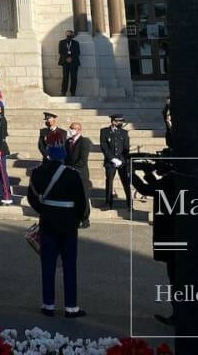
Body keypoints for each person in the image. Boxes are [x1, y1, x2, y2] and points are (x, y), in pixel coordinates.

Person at [28, 130, 88, 318]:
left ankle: (48, 305)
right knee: (69, 265)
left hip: (48, 222)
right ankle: (71, 307)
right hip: (69, 223)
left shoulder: (38, 172)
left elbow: (32, 198)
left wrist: (44, 210)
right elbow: (81, 202)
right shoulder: (72, 174)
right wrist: (79, 218)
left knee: (48, 264)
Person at [131, 151, 177, 326]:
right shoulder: (176, 178)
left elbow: (146, 190)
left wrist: (130, 174)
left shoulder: (171, 179)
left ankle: (178, 315)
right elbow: (157, 187)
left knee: (175, 277)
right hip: (176, 234)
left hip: (172, 235)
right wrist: (148, 173)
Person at [100, 114, 132, 210]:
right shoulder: (104, 131)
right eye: (119, 121)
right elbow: (104, 147)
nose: (121, 123)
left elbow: (126, 148)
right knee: (109, 181)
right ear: (113, 121)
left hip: (122, 162)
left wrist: (121, 160)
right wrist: (112, 158)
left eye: (122, 121)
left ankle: (129, 204)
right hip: (110, 161)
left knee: (126, 182)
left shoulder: (124, 132)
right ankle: (108, 203)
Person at [65, 122, 92, 228]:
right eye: (70, 128)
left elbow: (83, 160)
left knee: (83, 197)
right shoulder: (68, 142)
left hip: (81, 174)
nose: (71, 130)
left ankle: (85, 219)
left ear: (79, 130)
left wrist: (71, 168)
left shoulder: (84, 142)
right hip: (70, 174)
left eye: (74, 128)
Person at [58, 30, 80, 96]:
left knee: (74, 78)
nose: (68, 36)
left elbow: (78, 52)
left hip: (74, 62)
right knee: (65, 77)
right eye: (67, 35)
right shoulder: (61, 42)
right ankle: (63, 92)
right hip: (65, 62)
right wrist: (66, 58)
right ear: (65, 35)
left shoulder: (76, 43)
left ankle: (73, 92)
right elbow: (60, 52)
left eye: (70, 35)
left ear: (72, 35)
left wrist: (71, 58)